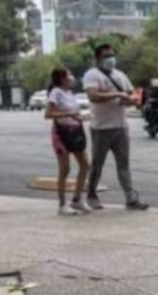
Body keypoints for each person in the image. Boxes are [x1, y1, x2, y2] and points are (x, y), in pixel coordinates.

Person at [82, 43, 148, 210]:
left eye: (112, 55)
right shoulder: (92, 75)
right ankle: (91, 194)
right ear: (97, 58)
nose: (110, 59)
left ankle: (131, 198)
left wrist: (132, 100)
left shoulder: (121, 75)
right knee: (98, 164)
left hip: (120, 127)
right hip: (101, 128)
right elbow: (93, 96)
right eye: (106, 56)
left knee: (123, 164)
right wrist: (117, 94)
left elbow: (130, 95)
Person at [44, 67, 91, 216]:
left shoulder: (70, 94)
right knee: (65, 169)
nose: (71, 78)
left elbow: (73, 112)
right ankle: (62, 204)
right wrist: (68, 113)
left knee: (85, 164)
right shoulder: (56, 92)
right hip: (61, 134)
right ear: (62, 78)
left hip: (75, 132)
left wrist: (79, 117)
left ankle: (77, 199)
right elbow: (48, 114)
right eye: (69, 75)